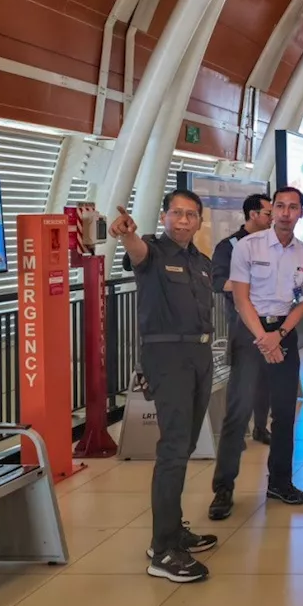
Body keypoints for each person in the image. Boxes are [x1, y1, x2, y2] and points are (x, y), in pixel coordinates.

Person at [111, 191, 218, 584]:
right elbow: (136, 251)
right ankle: (162, 550)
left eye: (191, 215)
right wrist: (125, 235)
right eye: (177, 213)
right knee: (173, 449)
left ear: (199, 220)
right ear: (165, 216)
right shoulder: (153, 252)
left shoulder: (199, 261)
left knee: (185, 445)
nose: (184, 221)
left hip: (200, 357)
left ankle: (173, 531)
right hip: (168, 358)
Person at [209, 187, 303, 519]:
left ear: (301, 213)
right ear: (271, 213)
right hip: (250, 331)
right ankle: (223, 489)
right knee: (237, 413)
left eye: (292, 207)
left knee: (284, 413)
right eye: (279, 206)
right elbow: (240, 298)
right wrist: (263, 338)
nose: (285, 212)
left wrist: (279, 335)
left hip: (283, 331)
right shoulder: (247, 246)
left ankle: (280, 482)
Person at [210, 193, 274, 444]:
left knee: (266, 377)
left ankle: (260, 426)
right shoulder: (230, 247)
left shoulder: (274, 243)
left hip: (271, 320)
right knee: (242, 380)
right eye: (269, 213)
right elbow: (217, 282)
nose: (273, 218)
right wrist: (248, 286)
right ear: (253, 215)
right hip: (242, 323)